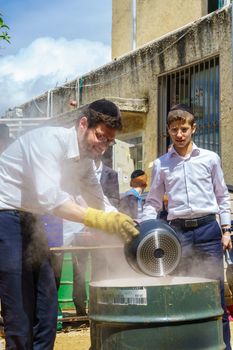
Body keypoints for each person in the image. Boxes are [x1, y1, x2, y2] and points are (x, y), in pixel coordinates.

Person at [0, 98, 139, 350]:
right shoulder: (46, 142)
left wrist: (119, 218)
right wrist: (98, 219)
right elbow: (51, 199)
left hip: (33, 218)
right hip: (5, 215)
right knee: (19, 309)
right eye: (100, 137)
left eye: (110, 141)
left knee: (47, 305)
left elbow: (98, 199)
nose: (104, 147)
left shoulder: (84, 161)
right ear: (83, 124)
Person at [142, 104, 232, 350]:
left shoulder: (210, 159)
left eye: (184, 129)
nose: (179, 134)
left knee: (215, 293)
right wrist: (144, 229)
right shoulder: (161, 164)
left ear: (194, 128)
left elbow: (222, 197)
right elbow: (151, 201)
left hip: (208, 232)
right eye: (174, 130)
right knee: (180, 294)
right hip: (177, 235)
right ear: (168, 131)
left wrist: (226, 230)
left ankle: (222, 346)